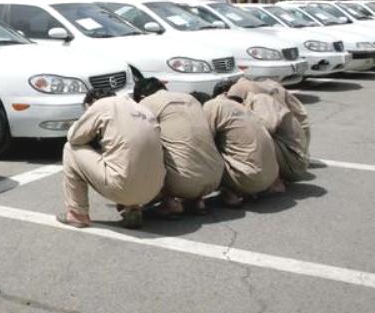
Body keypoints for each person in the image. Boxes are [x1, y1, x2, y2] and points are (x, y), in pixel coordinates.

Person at [60, 88, 166, 230]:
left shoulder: (101, 105)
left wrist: (85, 118)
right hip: (154, 191)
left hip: (124, 187)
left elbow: (74, 137)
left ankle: (77, 214)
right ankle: (132, 208)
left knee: (70, 148)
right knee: (124, 155)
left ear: (89, 105)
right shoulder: (142, 109)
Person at [133, 78, 224, 215]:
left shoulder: (147, 103)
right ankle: (197, 201)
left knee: (147, 147)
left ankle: (169, 202)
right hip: (215, 177)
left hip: (182, 183)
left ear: (141, 97)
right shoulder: (190, 99)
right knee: (187, 142)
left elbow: (137, 140)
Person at [194, 88, 280, 207]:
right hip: (271, 175)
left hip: (250, 178)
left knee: (204, 155)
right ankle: (247, 191)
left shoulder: (210, 107)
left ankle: (230, 193)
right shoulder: (235, 106)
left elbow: (204, 144)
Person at [243, 92, 310, 185]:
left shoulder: (260, 99)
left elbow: (266, 128)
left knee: (255, 142)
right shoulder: (257, 100)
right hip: (291, 155)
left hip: (295, 161)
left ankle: (274, 182)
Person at [227, 77, 310, 150]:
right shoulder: (264, 91)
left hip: (294, 146)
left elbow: (266, 129)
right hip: (298, 138)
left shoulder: (260, 99)